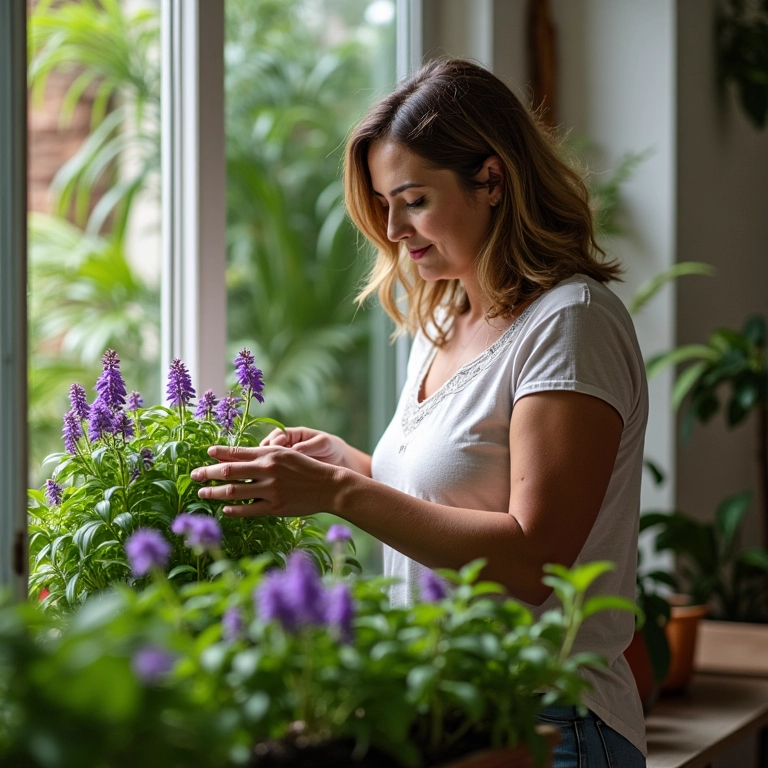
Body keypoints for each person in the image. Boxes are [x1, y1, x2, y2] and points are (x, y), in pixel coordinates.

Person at [190, 58, 648, 767]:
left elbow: (535, 558)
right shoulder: (445, 321)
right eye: (382, 203)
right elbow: (467, 496)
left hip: (551, 723)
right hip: (451, 711)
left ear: (492, 180)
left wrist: (342, 493)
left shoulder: (571, 324)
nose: (393, 227)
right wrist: (354, 465)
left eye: (414, 200)